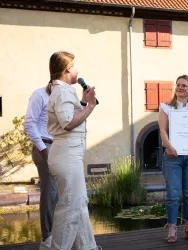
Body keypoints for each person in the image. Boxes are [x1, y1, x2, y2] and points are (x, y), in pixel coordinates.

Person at [46, 51, 101, 250]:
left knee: (78, 203)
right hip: (66, 154)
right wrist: (91, 106)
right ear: (68, 68)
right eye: (75, 65)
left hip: (69, 154)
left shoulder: (65, 91)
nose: (78, 69)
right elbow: (68, 123)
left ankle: (88, 247)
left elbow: (71, 117)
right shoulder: (61, 92)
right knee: (70, 206)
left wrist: (84, 102)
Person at [158, 75, 188, 243]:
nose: (180, 87)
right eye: (177, 85)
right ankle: (172, 228)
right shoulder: (166, 108)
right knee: (172, 193)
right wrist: (168, 146)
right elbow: (163, 130)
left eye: (184, 85)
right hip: (173, 157)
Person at [24, 84, 59, 250]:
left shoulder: (64, 95)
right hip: (45, 146)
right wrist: (43, 149)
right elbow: (29, 124)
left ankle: (60, 236)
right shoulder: (39, 95)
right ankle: (48, 239)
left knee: (62, 192)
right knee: (51, 191)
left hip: (60, 147)